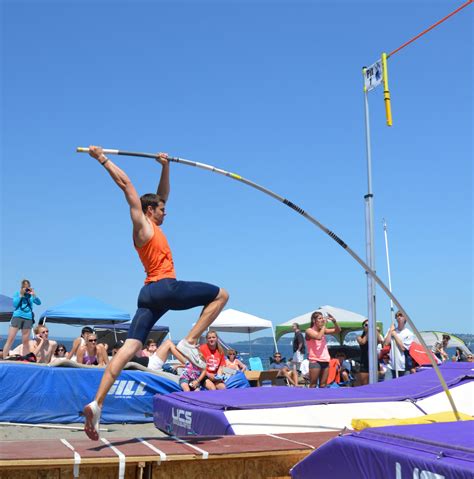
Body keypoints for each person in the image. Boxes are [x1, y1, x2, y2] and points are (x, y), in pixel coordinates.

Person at [83, 146, 229, 440]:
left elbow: (162, 195)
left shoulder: (152, 222)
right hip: (164, 287)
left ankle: (96, 404)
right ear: (150, 210)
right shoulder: (142, 223)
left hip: (148, 294)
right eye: (162, 209)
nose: (165, 212)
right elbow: (127, 186)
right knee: (221, 295)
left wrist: (165, 167)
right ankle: (190, 342)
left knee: (127, 350)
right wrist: (102, 158)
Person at [2, 279, 41, 358]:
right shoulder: (17, 293)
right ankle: (4, 357)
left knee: (25, 341)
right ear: (22, 287)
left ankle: (26, 358)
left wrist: (34, 295)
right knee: (10, 339)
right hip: (17, 317)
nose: (26, 289)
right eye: (25, 287)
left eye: (28, 287)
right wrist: (21, 295)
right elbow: (15, 304)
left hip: (28, 318)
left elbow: (39, 303)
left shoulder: (30, 295)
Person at [305, 311, 341, 388]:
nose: (322, 320)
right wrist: (324, 326)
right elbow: (318, 337)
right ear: (314, 321)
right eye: (320, 318)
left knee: (323, 385)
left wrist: (334, 321)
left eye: (322, 318)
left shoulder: (322, 330)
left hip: (325, 360)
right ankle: (311, 399)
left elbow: (338, 330)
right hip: (315, 360)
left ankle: (321, 400)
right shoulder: (309, 330)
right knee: (313, 384)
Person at [383, 311, 415, 378]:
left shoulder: (409, 333)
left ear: (405, 318)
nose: (399, 317)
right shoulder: (392, 330)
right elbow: (386, 343)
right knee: (387, 386)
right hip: (391, 365)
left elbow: (403, 348)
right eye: (397, 316)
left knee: (403, 387)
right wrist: (390, 331)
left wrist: (394, 334)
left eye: (401, 315)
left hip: (403, 366)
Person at [355, 320, 384, 386]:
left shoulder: (374, 336)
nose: (368, 326)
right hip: (364, 361)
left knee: (375, 384)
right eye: (366, 325)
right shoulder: (359, 337)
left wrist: (374, 329)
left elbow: (380, 340)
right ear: (363, 327)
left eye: (369, 325)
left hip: (374, 361)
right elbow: (362, 342)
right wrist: (368, 332)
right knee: (365, 384)